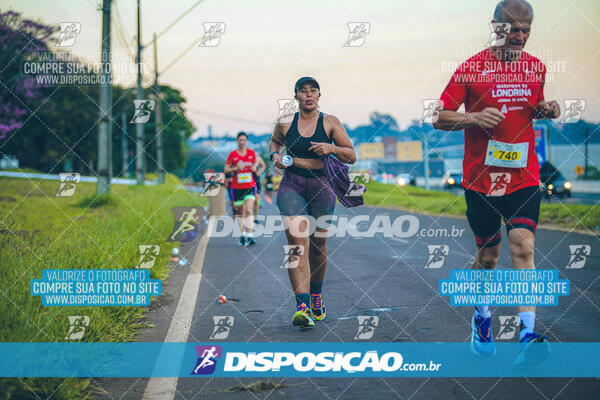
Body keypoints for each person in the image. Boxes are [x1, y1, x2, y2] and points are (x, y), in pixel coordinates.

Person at [433, 0, 560, 363]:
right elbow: (439, 118)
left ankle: (528, 335)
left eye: (526, 31)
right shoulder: (471, 68)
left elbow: (535, 106)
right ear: (496, 26)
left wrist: (549, 109)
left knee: (523, 246)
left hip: (523, 177)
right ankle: (482, 317)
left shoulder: (535, 67)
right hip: (481, 181)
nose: (519, 37)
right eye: (513, 30)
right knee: (488, 257)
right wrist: (472, 118)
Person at [269, 76, 356, 328]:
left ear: (319, 95)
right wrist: (275, 154)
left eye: (313, 91)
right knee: (297, 243)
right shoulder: (285, 122)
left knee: (318, 245)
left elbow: (351, 155)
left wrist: (332, 149)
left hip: (322, 186)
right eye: (303, 91)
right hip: (291, 185)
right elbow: (275, 141)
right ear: (295, 95)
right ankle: (302, 306)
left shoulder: (330, 123)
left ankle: (316, 295)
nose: (308, 95)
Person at [224, 132, 260, 246]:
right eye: (240, 140)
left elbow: (257, 161)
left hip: (250, 186)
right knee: (240, 212)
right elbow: (226, 170)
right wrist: (235, 168)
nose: (242, 142)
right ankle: (242, 234)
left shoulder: (251, 152)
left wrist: (255, 166)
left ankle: (250, 235)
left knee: (249, 210)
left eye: (244, 140)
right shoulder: (232, 155)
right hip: (236, 188)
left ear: (246, 141)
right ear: (237, 141)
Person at [253, 155, 267, 220]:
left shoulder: (257, 157)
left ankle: (255, 217)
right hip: (245, 181)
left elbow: (263, 165)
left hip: (256, 181)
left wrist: (260, 171)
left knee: (257, 200)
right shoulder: (241, 157)